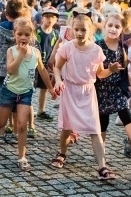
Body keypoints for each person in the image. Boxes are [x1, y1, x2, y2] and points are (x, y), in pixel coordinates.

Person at [50, 13, 122, 180]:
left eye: (83, 30)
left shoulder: (96, 50)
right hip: (70, 90)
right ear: (72, 30)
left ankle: (102, 166)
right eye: (77, 29)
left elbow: (100, 74)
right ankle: (62, 153)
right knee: (67, 127)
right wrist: (58, 80)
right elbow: (57, 67)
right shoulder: (67, 47)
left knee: (94, 129)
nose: (80, 33)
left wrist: (110, 70)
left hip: (88, 92)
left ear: (90, 30)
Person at [0, 18, 55, 170]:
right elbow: (11, 70)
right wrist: (20, 55)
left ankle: (22, 156)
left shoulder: (36, 53)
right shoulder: (11, 51)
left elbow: (43, 71)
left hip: (25, 93)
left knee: (21, 125)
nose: (23, 37)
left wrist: (50, 88)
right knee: (1, 122)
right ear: (15, 35)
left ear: (32, 35)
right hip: (9, 91)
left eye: (27, 34)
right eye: (20, 34)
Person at [95, 14, 131, 159]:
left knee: (125, 112)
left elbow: (123, 69)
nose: (113, 29)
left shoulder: (122, 47)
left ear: (122, 29)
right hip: (102, 89)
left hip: (117, 88)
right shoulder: (99, 46)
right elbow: (98, 73)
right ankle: (100, 152)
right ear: (105, 26)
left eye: (117, 26)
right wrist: (110, 70)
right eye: (110, 25)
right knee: (103, 121)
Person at [35, 6, 60, 121]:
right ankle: (28, 108)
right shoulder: (37, 31)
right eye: (47, 16)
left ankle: (41, 110)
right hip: (36, 64)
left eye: (52, 17)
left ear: (56, 20)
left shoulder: (55, 34)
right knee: (32, 86)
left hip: (48, 65)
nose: (50, 19)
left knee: (44, 88)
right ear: (42, 18)